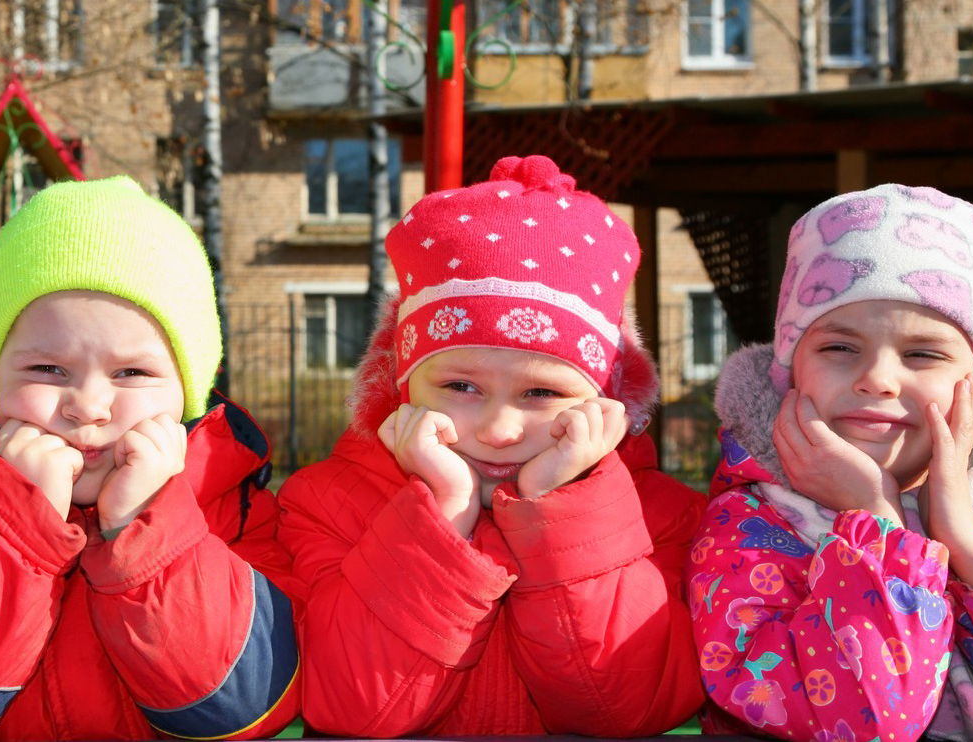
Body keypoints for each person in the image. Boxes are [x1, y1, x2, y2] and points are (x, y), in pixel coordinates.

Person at [0, 176, 298, 742]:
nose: (88, 407)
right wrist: (10, 522)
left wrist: (146, 532)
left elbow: (244, 708)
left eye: (132, 373)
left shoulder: (229, 500)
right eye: (48, 370)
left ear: (187, 390)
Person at [279, 155, 705, 737]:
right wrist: (443, 516)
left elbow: (623, 710)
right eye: (460, 386)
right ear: (403, 381)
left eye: (542, 391)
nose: (499, 429)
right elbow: (357, 707)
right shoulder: (326, 502)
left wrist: (560, 508)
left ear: (605, 396)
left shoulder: (664, 517)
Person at [691, 183, 973, 741]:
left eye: (922, 354)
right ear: (790, 370)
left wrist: (968, 541)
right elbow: (865, 722)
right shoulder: (753, 525)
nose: (878, 379)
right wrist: (876, 522)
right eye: (839, 347)